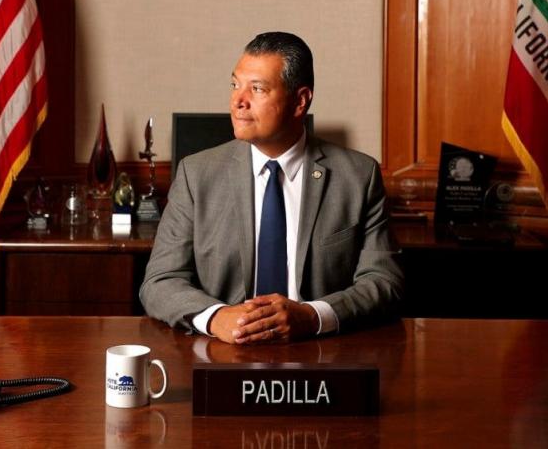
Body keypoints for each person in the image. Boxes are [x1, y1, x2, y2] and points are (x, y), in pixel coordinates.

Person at [139, 32, 403, 343]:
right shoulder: (196, 175)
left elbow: (385, 281)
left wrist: (313, 316)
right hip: (223, 354)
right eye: (235, 85)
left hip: (320, 355)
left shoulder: (357, 175)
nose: (238, 101)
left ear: (300, 101)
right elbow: (159, 282)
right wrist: (216, 318)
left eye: (258, 89)